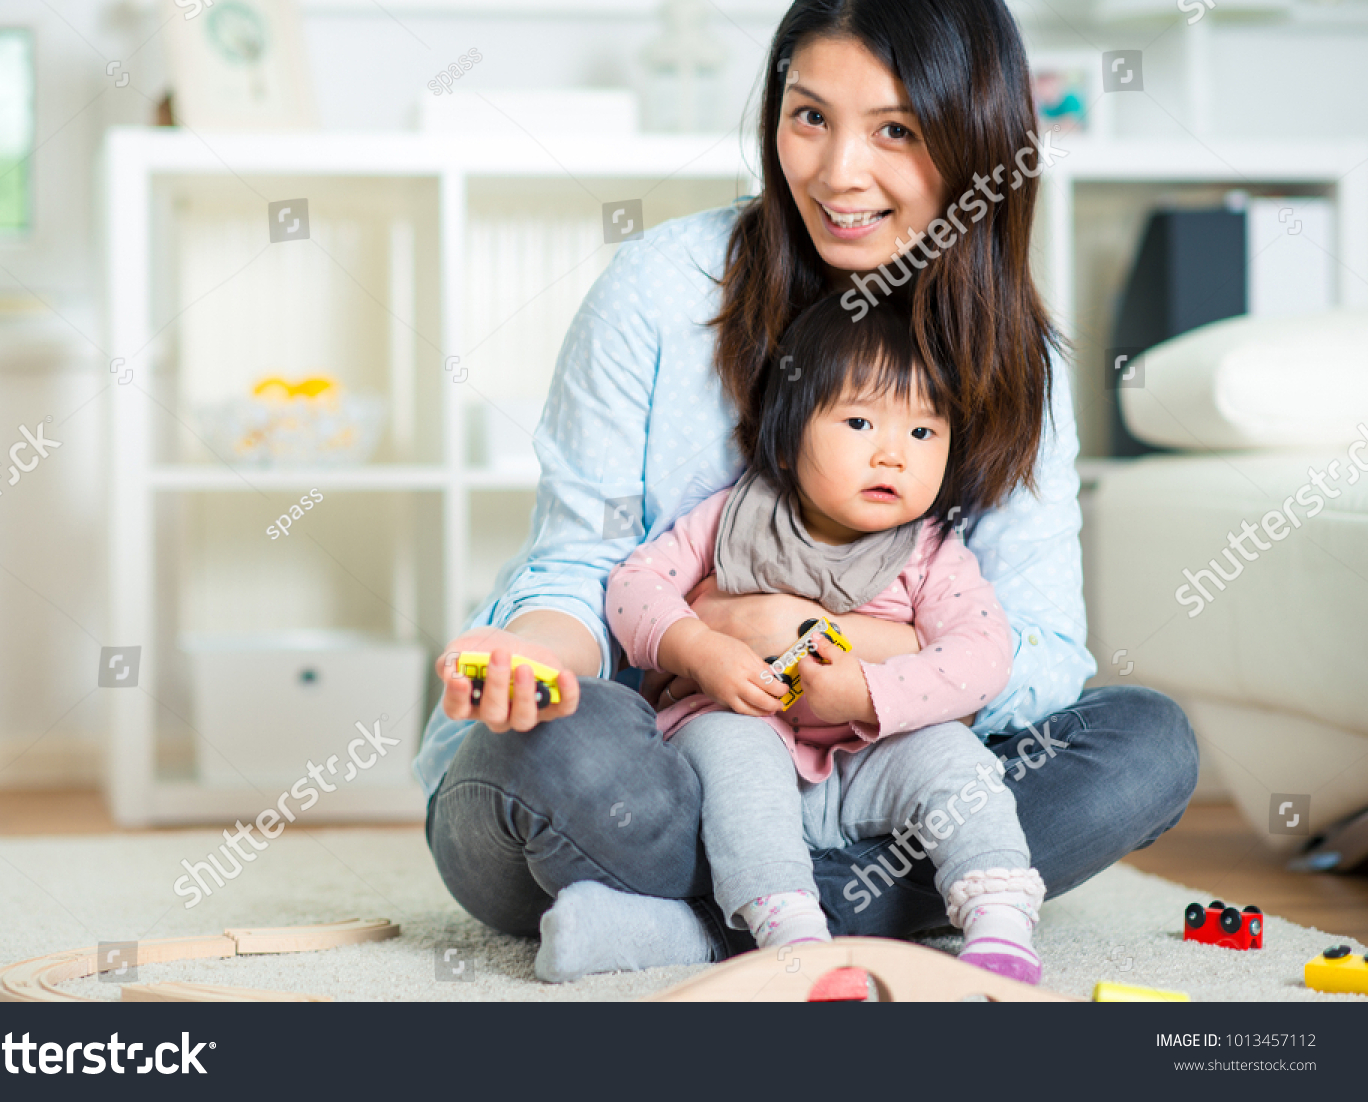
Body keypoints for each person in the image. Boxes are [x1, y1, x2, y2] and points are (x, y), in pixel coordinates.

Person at [415, 0, 1198, 978]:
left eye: (897, 131)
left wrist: (820, 643)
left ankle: (706, 928)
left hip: (883, 775)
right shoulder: (661, 289)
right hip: (665, 768)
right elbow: (585, 568)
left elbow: (1041, 655)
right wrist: (536, 656)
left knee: (1144, 745)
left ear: (978, 141)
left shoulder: (1011, 358)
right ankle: (869, 910)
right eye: (809, 115)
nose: (838, 174)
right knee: (556, 748)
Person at [600, 295, 1047, 983]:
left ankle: (1000, 921)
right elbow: (632, 588)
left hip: (871, 756)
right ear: (786, 437)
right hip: (747, 735)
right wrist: (697, 648)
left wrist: (868, 691)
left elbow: (984, 656)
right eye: (861, 421)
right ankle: (794, 933)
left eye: (925, 433)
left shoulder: (929, 552)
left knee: (957, 758)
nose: (894, 454)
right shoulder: (732, 516)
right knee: (733, 745)